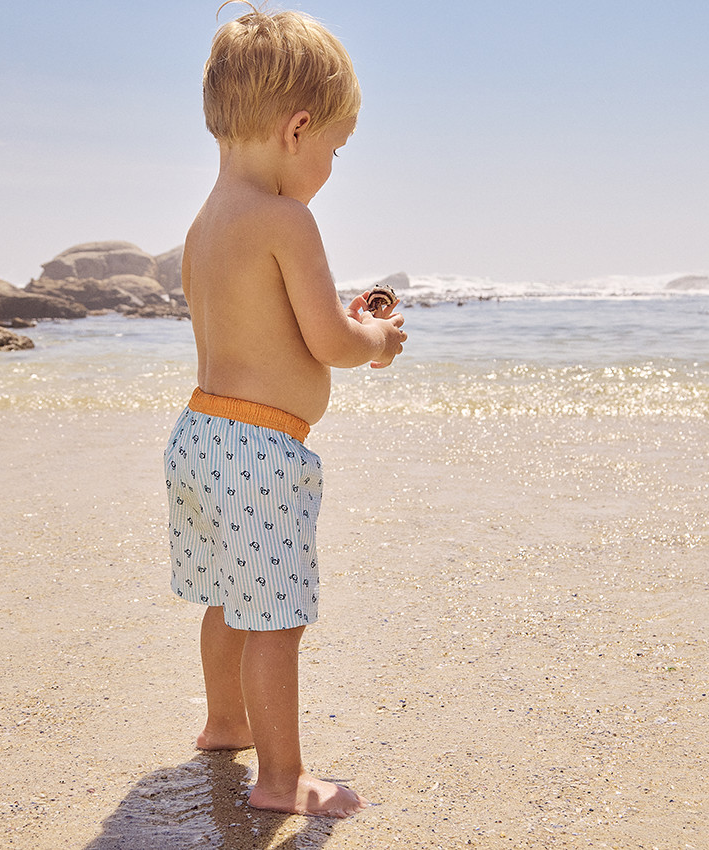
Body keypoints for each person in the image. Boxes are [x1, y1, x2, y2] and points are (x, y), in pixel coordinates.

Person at [163, 2, 406, 819]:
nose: (331, 164)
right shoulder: (286, 219)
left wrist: (335, 321)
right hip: (262, 449)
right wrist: (373, 335)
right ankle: (279, 777)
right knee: (276, 617)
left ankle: (223, 721)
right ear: (298, 128)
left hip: (199, 435)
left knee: (231, 597)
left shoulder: (204, 228)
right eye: (335, 148)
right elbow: (330, 344)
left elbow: (263, 330)